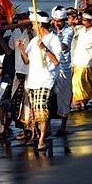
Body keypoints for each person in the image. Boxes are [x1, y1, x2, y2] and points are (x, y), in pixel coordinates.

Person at [17, 11, 62, 150]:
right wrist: (21, 49)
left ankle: (42, 138)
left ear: (40, 24)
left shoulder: (54, 39)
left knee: (41, 110)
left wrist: (44, 48)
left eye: (34, 23)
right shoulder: (33, 40)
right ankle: (37, 134)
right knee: (34, 112)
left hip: (45, 80)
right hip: (32, 80)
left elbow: (56, 61)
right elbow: (26, 61)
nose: (32, 25)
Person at [8, 13, 32, 138]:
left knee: (28, 100)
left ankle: (30, 127)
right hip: (19, 71)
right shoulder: (16, 31)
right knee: (17, 99)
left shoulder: (33, 32)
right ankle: (23, 127)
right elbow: (10, 49)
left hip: (31, 71)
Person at [50, 6, 74, 136]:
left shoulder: (69, 31)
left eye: (59, 21)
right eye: (54, 21)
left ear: (64, 20)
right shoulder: (50, 31)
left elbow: (64, 47)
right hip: (51, 68)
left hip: (64, 68)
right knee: (49, 98)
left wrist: (52, 38)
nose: (57, 23)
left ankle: (63, 126)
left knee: (65, 98)